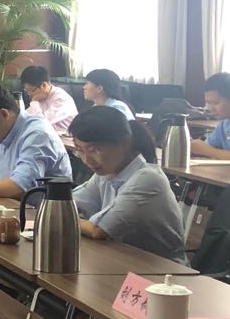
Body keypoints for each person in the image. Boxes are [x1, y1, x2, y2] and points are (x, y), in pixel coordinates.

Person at [69, 107, 186, 262]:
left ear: (124, 143)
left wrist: (62, 218)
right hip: (120, 258)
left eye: (94, 150)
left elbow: (98, 231)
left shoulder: (148, 179)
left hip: (161, 269)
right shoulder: (106, 173)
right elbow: (70, 205)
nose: (87, 160)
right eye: (80, 151)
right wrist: (65, 214)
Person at [19, 65, 78, 135]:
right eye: (26, 91)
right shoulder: (42, 97)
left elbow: (40, 122)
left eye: (32, 90)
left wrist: (34, 101)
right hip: (49, 134)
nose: (29, 94)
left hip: (68, 137)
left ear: (44, 85)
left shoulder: (61, 99)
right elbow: (26, 117)